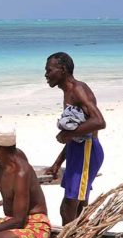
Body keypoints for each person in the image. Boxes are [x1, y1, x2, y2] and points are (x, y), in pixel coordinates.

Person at [44, 52, 106, 224]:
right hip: (77, 150)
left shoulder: (78, 90)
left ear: (62, 69)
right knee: (79, 204)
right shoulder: (68, 92)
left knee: (68, 206)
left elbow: (99, 122)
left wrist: (67, 134)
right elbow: (78, 131)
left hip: (87, 150)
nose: (46, 75)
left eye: (49, 70)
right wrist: (57, 163)